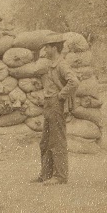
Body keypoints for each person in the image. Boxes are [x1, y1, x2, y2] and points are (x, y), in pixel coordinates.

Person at [32, 34, 79, 186]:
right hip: (49, 104)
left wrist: (61, 95)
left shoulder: (61, 65)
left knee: (57, 140)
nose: (45, 49)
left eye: (47, 46)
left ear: (54, 48)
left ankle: (60, 176)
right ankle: (46, 174)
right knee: (45, 142)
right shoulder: (51, 64)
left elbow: (74, 82)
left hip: (56, 104)